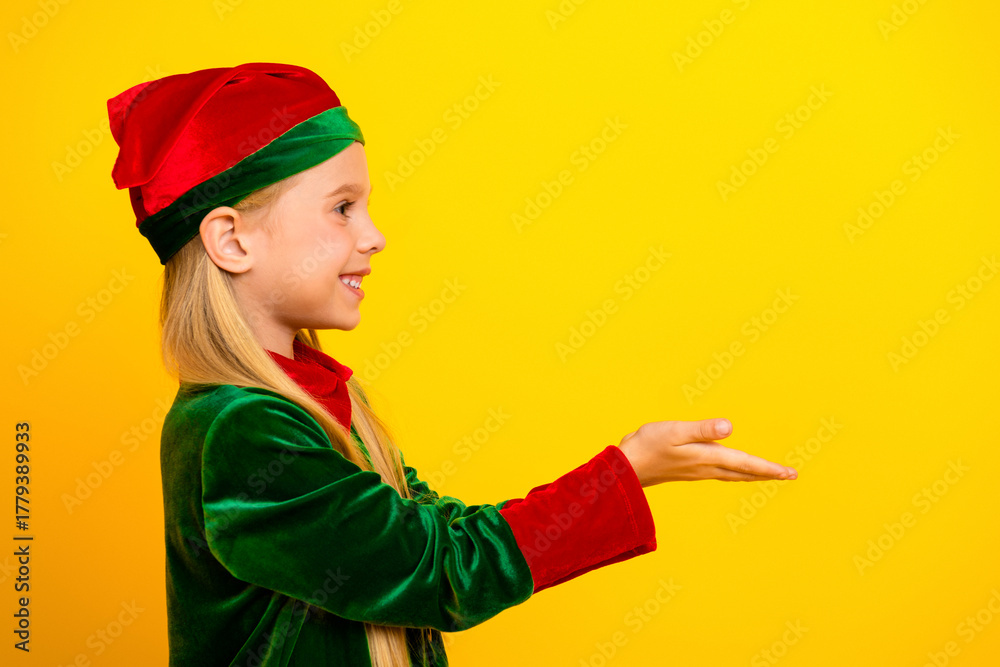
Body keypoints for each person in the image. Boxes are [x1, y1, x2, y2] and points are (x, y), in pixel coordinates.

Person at [107, 62, 798, 667]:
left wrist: (626, 473)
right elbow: (438, 569)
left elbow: (438, 534)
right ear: (231, 240)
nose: (375, 236)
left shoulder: (315, 401)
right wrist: (623, 472)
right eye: (342, 208)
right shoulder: (241, 431)